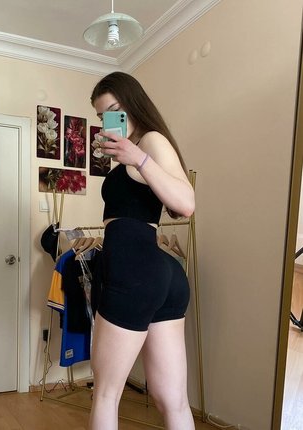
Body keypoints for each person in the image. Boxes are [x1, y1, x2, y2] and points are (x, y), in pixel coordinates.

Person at [89, 71, 196, 430]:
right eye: (102, 115)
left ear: (133, 102)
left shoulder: (150, 141)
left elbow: (186, 203)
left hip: (134, 268)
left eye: (114, 110)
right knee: (172, 401)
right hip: (158, 272)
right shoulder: (137, 149)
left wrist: (137, 157)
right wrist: (131, 158)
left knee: (105, 394)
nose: (107, 120)